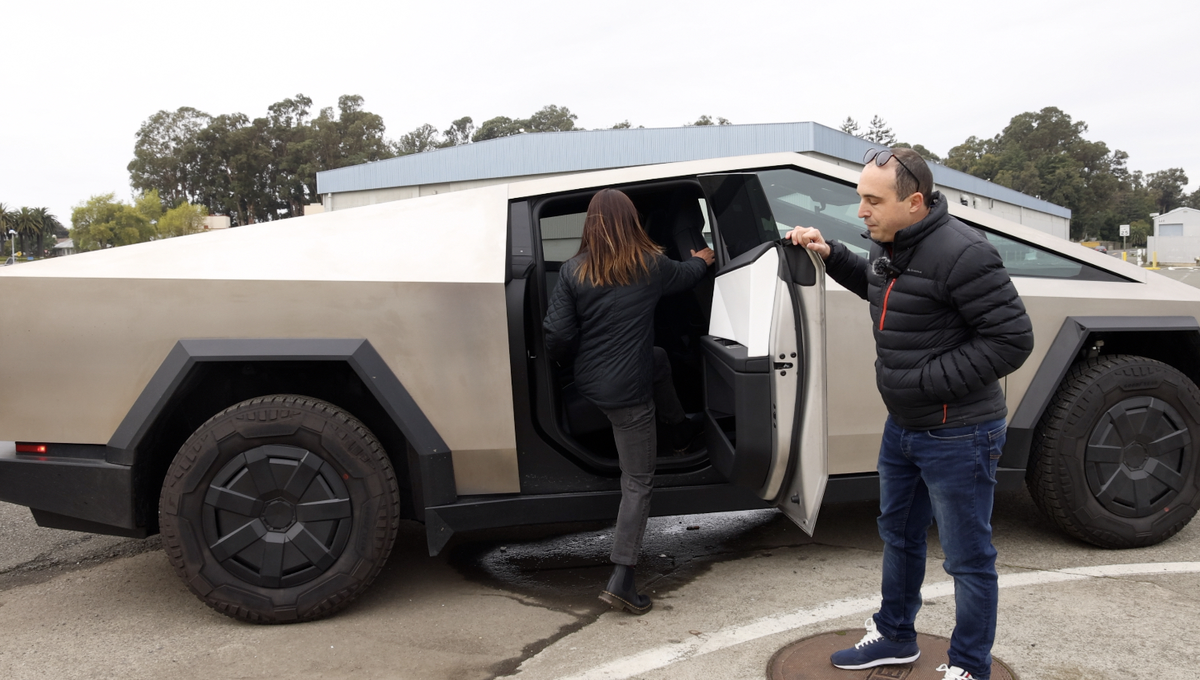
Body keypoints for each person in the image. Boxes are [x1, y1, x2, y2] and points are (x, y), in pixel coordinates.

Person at [786, 147, 1034, 680]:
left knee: (967, 559)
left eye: (873, 201)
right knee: (898, 535)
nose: (861, 212)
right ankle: (896, 637)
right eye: (860, 199)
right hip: (903, 428)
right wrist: (829, 253)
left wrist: (924, 383)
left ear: (915, 202)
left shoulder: (964, 252)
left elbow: (1012, 340)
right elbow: (882, 291)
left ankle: (970, 666)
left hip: (960, 433)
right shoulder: (890, 244)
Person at [543, 188, 715, 615]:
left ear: (590, 225)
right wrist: (704, 260)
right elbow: (686, 275)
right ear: (631, 223)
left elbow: (558, 335)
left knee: (657, 358)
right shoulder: (650, 265)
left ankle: (678, 430)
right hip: (627, 396)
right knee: (638, 482)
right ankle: (622, 576)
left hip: (590, 381)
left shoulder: (571, 271)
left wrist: (569, 361)